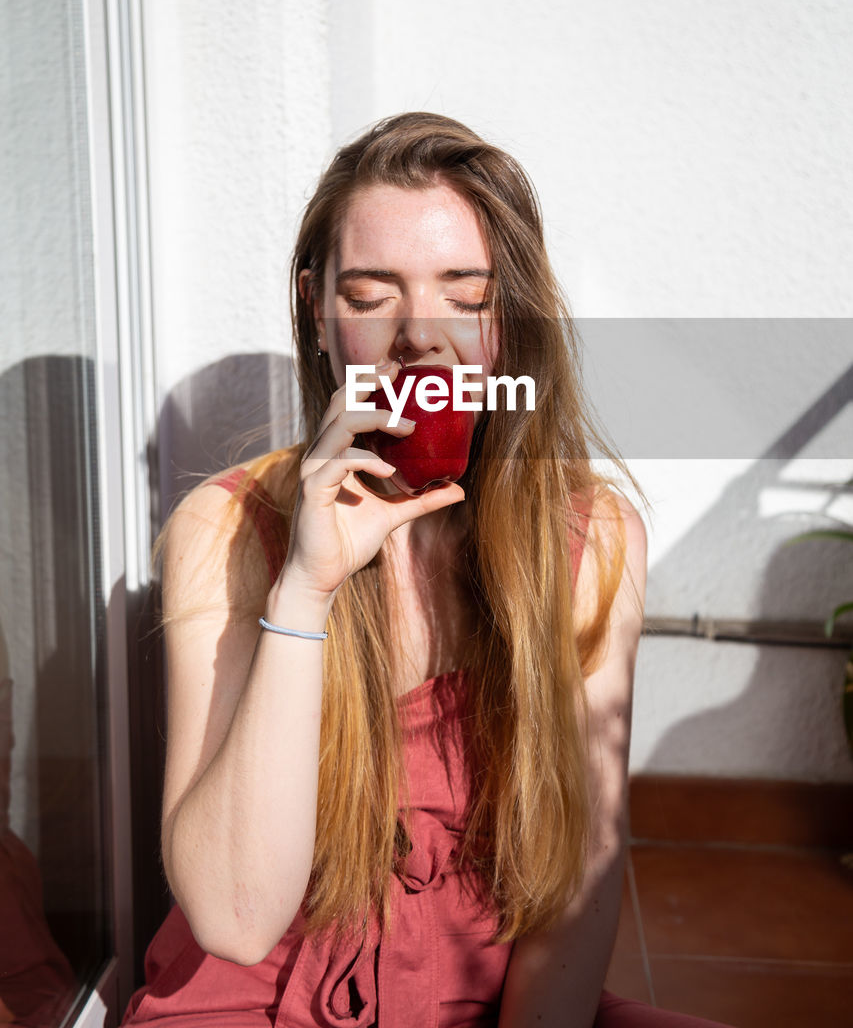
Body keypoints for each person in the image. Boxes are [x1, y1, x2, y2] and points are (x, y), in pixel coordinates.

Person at [121, 114, 733, 1027]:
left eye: (466, 294)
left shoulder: (593, 538)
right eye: (369, 295)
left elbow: (579, 877)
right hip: (261, 1001)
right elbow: (235, 920)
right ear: (317, 311)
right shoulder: (227, 528)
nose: (422, 338)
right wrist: (306, 590)